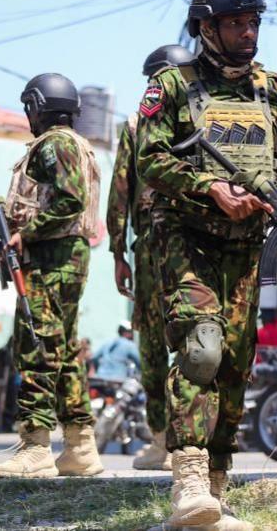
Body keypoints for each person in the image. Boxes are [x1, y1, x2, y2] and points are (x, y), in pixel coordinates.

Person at [135, 0, 277, 528]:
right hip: (187, 240)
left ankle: (214, 490)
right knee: (203, 350)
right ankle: (186, 476)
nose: (247, 32)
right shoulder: (173, 85)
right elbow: (149, 160)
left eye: (254, 22)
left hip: (247, 249)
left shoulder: (272, 91)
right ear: (207, 27)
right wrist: (208, 187)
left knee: (235, 366)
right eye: (236, 23)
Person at [0, 72, 103, 479]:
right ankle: (79, 447)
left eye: (29, 109)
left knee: (35, 344)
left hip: (53, 259)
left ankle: (36, 445)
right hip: (67, 257)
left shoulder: (54, 144)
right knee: (65, 349)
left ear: (38, 107)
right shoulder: (78, 145)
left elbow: (70, 200)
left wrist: (25, 234)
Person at [107, 43, 194, 472]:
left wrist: (116, 251)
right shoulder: (208, 118)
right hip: (198, 246)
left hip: (155, 245)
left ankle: (165, 442)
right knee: (193, 338)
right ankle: (190, 442)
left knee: (157, 344)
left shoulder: (138, 121)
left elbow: (121, 189)